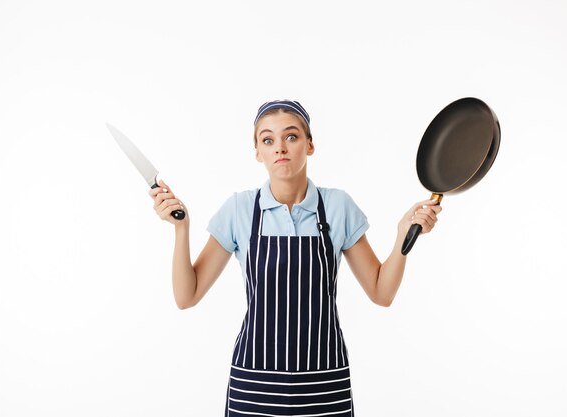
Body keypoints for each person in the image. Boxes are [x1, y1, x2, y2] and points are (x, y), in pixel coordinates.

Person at [149, 100, 441, 416]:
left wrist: (402, 236)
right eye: (268, 140)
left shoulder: (338, 207)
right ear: (257, 152)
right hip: (256, 381)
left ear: (310, 145)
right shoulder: (239, 210)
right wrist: (181, 230)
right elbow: (186, 295)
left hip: (324, 381)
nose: (280, 148)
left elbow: (381, 293)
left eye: (291, 136)